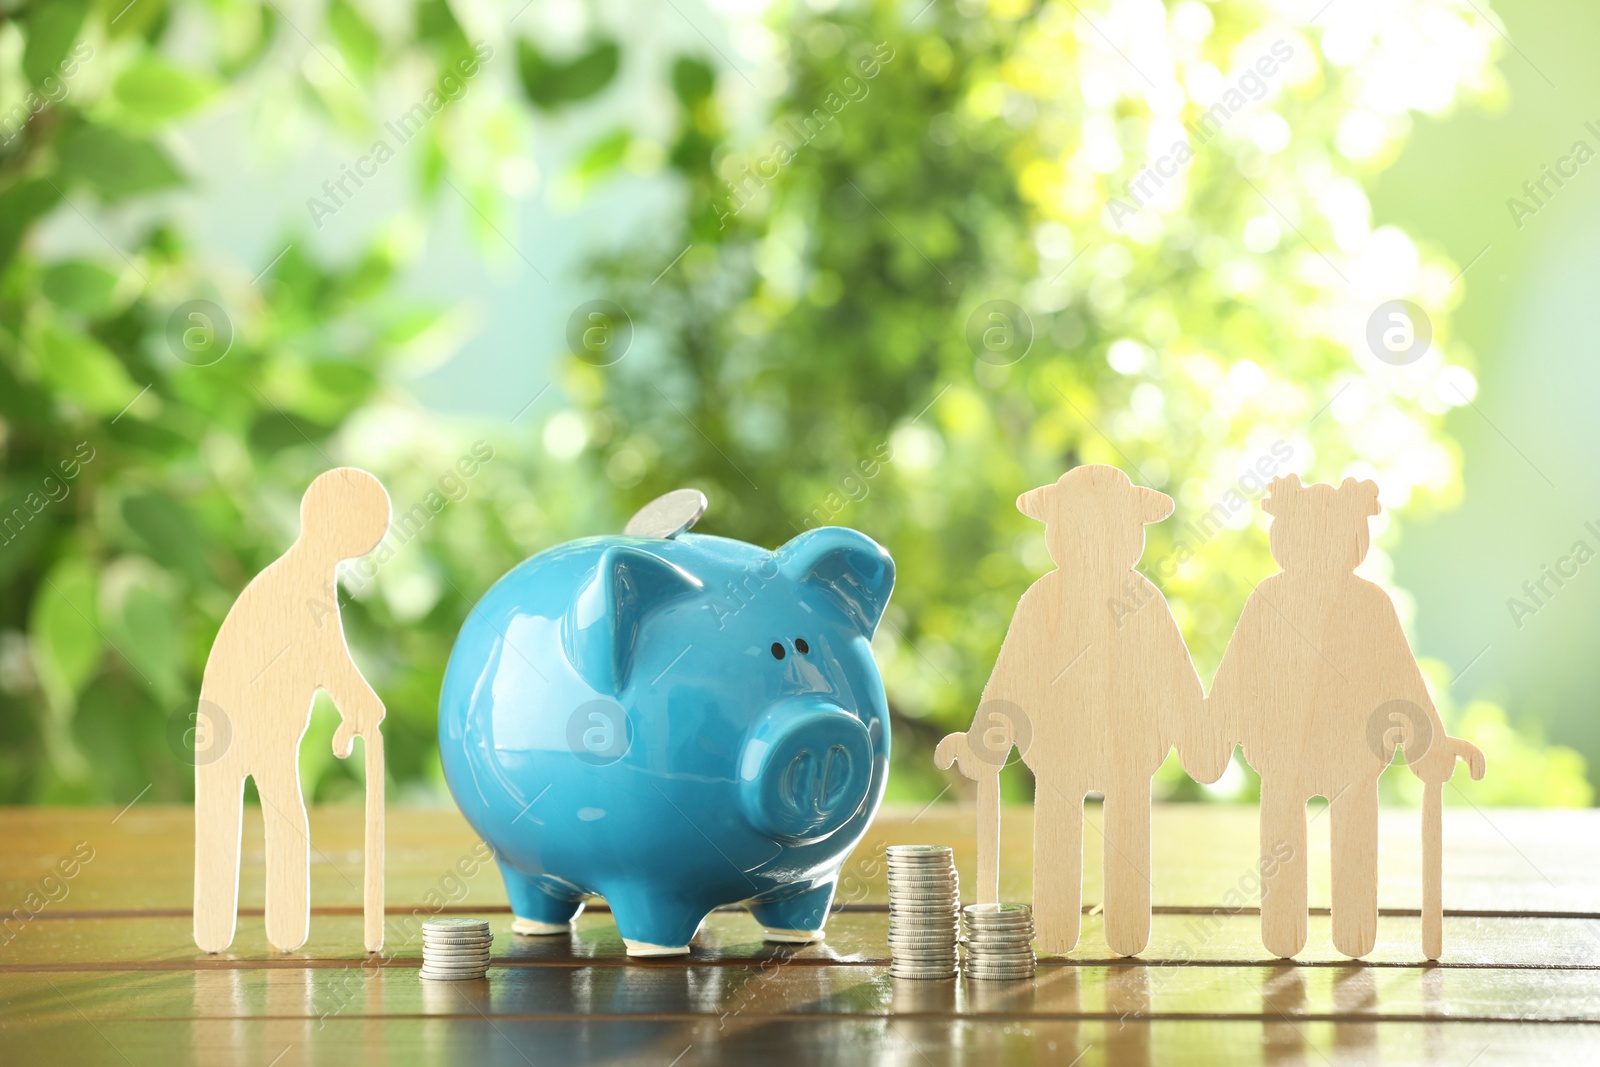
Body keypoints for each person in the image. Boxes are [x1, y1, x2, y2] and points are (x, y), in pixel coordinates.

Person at [1209, 474, 1483, 958]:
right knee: (1282, 848)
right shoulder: (1267, 602)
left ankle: (1353, 934)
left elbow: (1402, 682)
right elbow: (1236, 677)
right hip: (1282, 757)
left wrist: (1434, 744)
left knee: (1353, 847)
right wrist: (1212, 732)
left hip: (1354, 760)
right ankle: (1284, 931)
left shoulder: (1370, 605)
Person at [975, 465, 1215, 956]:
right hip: (1057, 752)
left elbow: (1173, 672)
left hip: (1131, 755)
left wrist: (1197, 736)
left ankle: (1126, 930)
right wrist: (989, 736)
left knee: (1127, 833)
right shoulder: (1043, 601)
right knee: (1058, 835)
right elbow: (1013, 675)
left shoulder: (1144, 601)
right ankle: (1057, 929)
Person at [193, 468, 390, 953]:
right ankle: (246, 931)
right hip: (245, 725)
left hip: (245, 727)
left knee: (249, 820)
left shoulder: (302, 577)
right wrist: (358, 700)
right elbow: (326, 657)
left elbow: (324, 658)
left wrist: (357, 702)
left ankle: (248, 930)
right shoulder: (300, 582)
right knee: (266, 820)